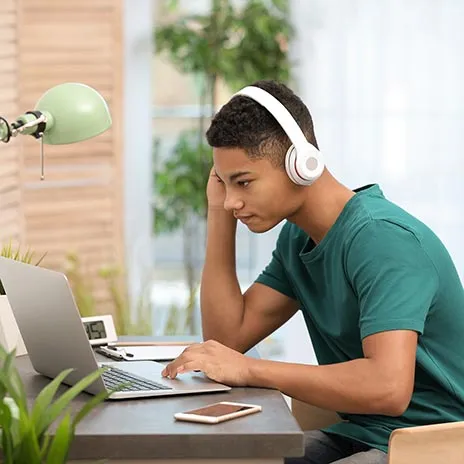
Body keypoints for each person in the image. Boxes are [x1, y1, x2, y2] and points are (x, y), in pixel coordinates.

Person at [161, 80, 464, 464]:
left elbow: (388, 387)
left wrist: (252, 369)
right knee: (239, 458)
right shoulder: (298, 238)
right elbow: (226, 339)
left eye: (244, 182)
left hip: (434, 444)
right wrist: (220, 214)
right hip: (361, 433)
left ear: (301, 165)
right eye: (224, 183)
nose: (233, 199)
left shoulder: (382, 240)